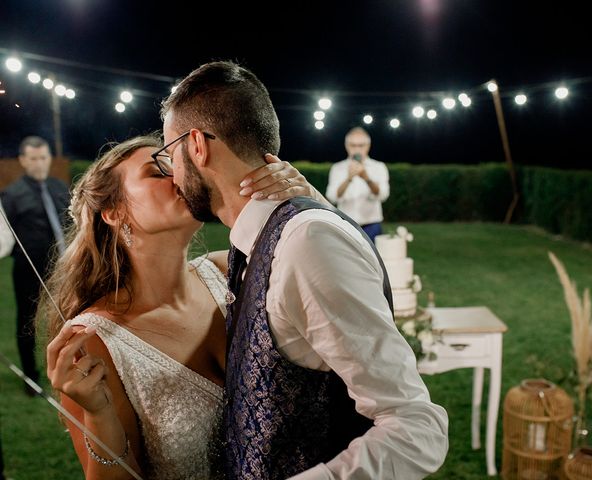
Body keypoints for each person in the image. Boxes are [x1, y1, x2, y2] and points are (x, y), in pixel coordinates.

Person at [161, 61, 447, 479]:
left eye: (170, 153)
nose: (172, 174)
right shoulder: (255, 239)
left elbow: (416, 427)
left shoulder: (305, 243)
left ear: (198, 145)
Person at [44, 135, 320, 479]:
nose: (179, 175)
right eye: (156, 171)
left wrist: (308, 202)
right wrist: (99, 414)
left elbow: (339, 279)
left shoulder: (233, 270)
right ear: (115, 213)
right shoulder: (92, 343)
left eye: (177, 165)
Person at [1, 136, 69, 396]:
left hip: (63, 268)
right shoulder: (11, 195)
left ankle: (68, 371)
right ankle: (31, 378)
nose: (39, 164)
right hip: (28, 270)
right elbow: (4, 237)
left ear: (49, 158)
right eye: (33, 159)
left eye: (43, 158)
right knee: (27, 322)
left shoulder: (60, 187)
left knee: (68, 319)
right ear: (23, 160)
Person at [325, 127, 390, 241]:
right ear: (347, 146)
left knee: (373, 259)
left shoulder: (379, 167)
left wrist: (367, 178)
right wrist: (348, 179)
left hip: (371, 225)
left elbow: (383, 195)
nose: (357, 149)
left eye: (361, 145)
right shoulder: (338, 168)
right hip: (346, 225)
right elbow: (332, 197)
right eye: (353, 145)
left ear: (368, 146)